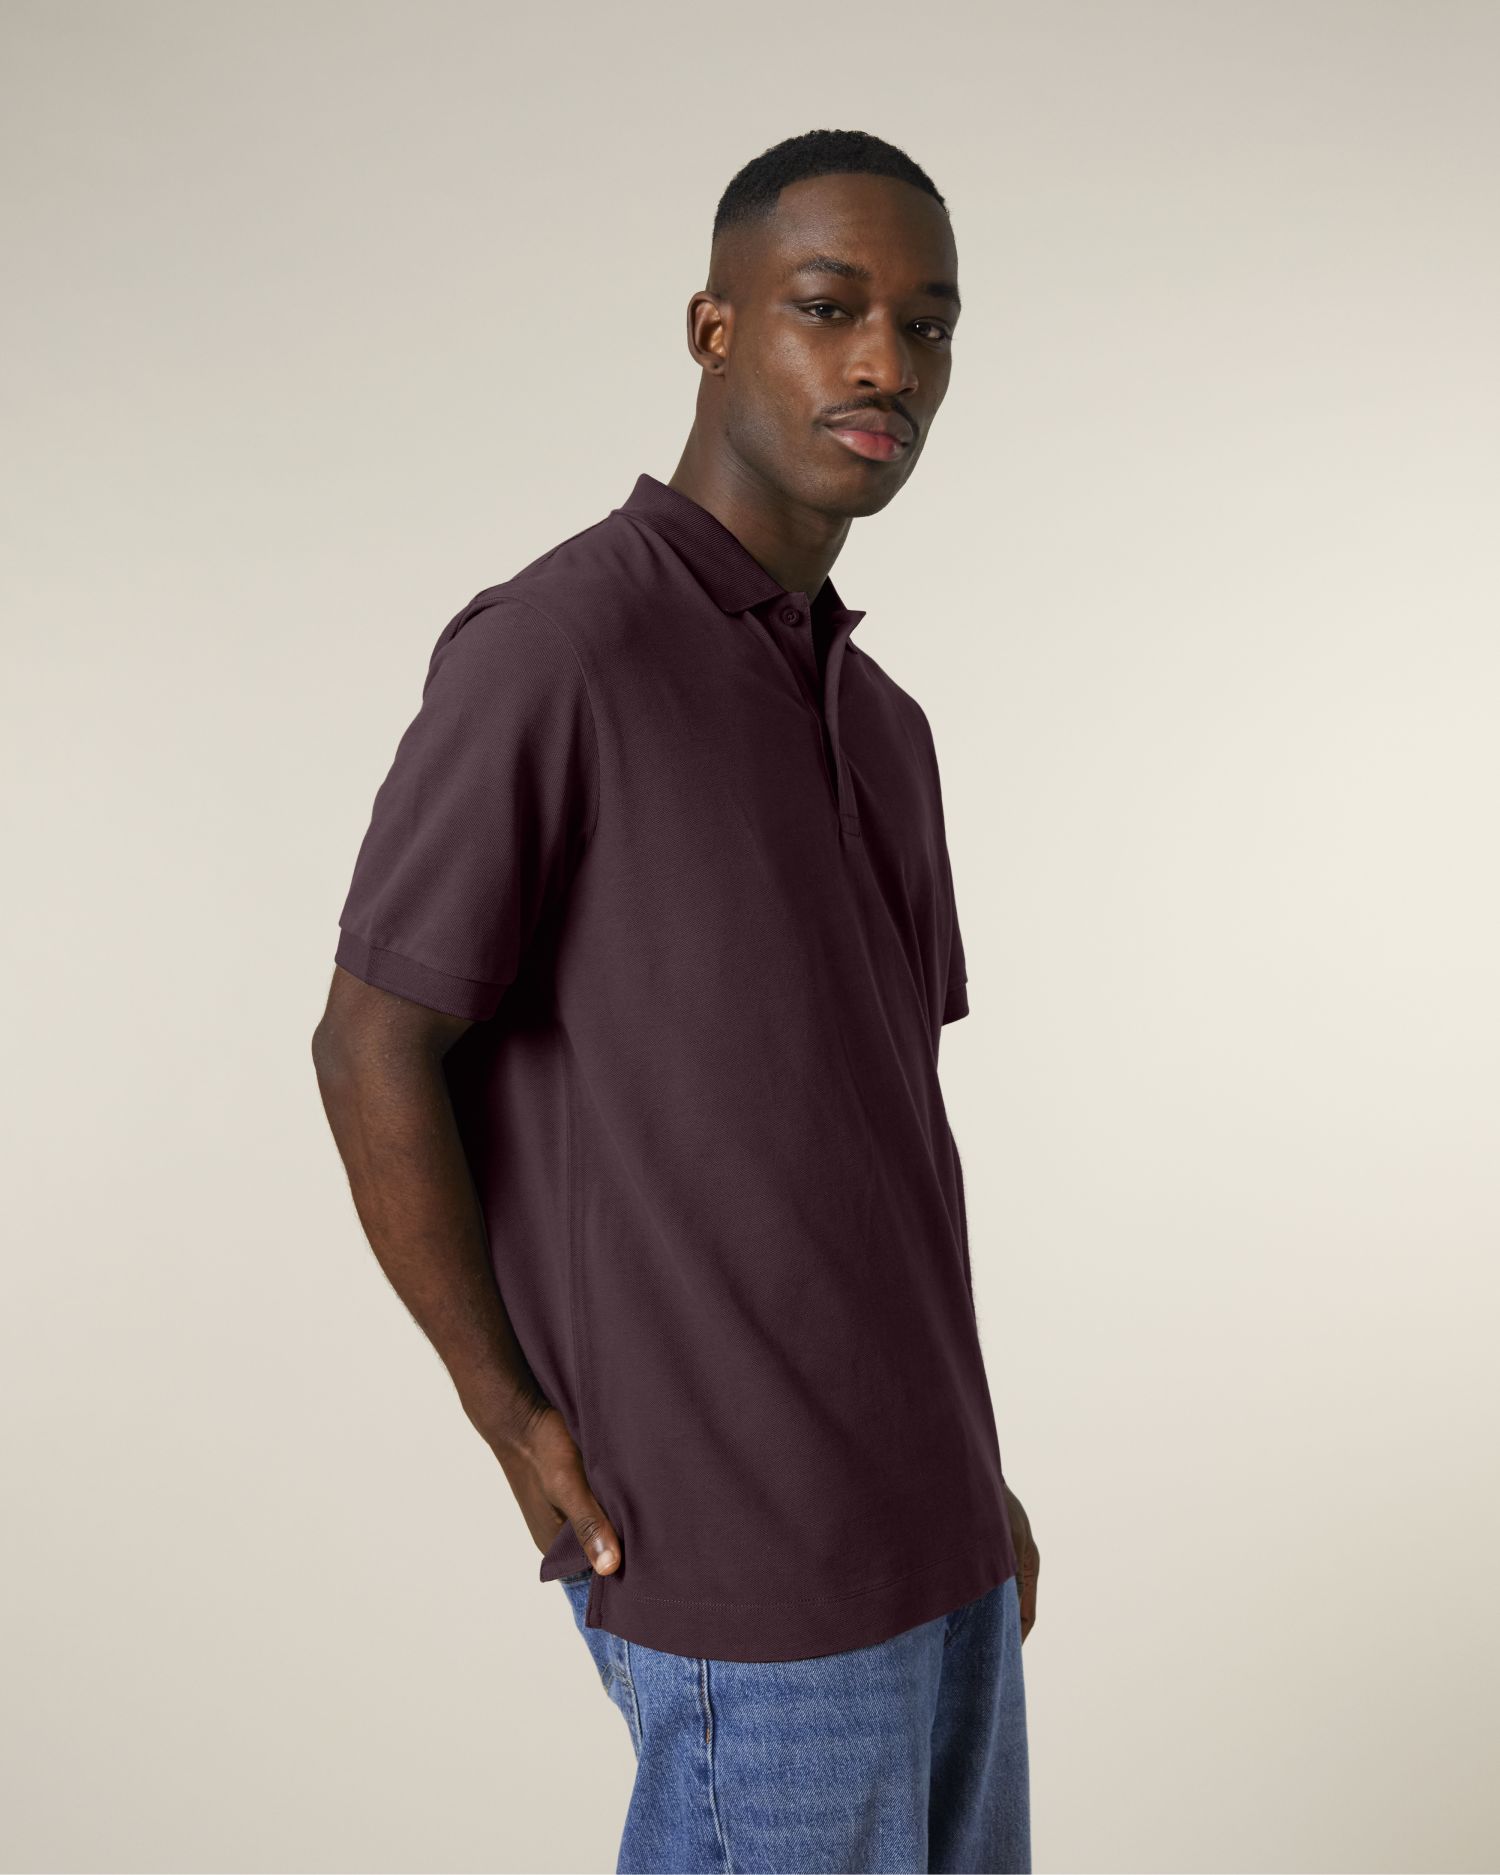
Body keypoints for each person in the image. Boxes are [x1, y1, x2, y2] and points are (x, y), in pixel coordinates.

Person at [312, 126, 1040, 1875]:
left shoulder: (887, 728)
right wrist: (509, 1415)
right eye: (829, 307)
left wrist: (975, 1475)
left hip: (941, 1543)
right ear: (714, 329)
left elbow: (879, 1158)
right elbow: (371, 1043)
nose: (888, 363)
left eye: (929, 326)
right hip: (738, 1563)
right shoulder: (556, 650)